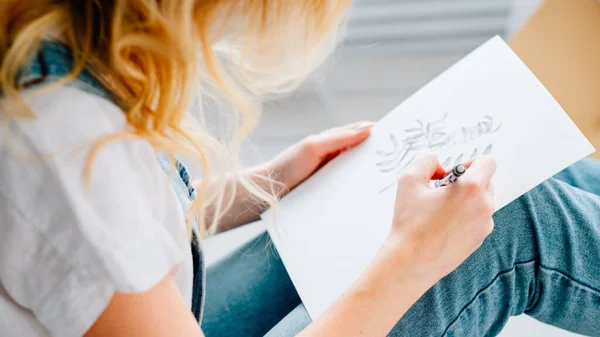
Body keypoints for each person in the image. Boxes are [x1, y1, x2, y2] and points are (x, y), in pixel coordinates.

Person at [0, 1, 598, 336]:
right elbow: (91, 215)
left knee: (520, 169)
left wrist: (270, 184)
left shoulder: (51, 52)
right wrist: (410, 260)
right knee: (514, 223)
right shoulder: (63, 145)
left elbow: (120, 235)